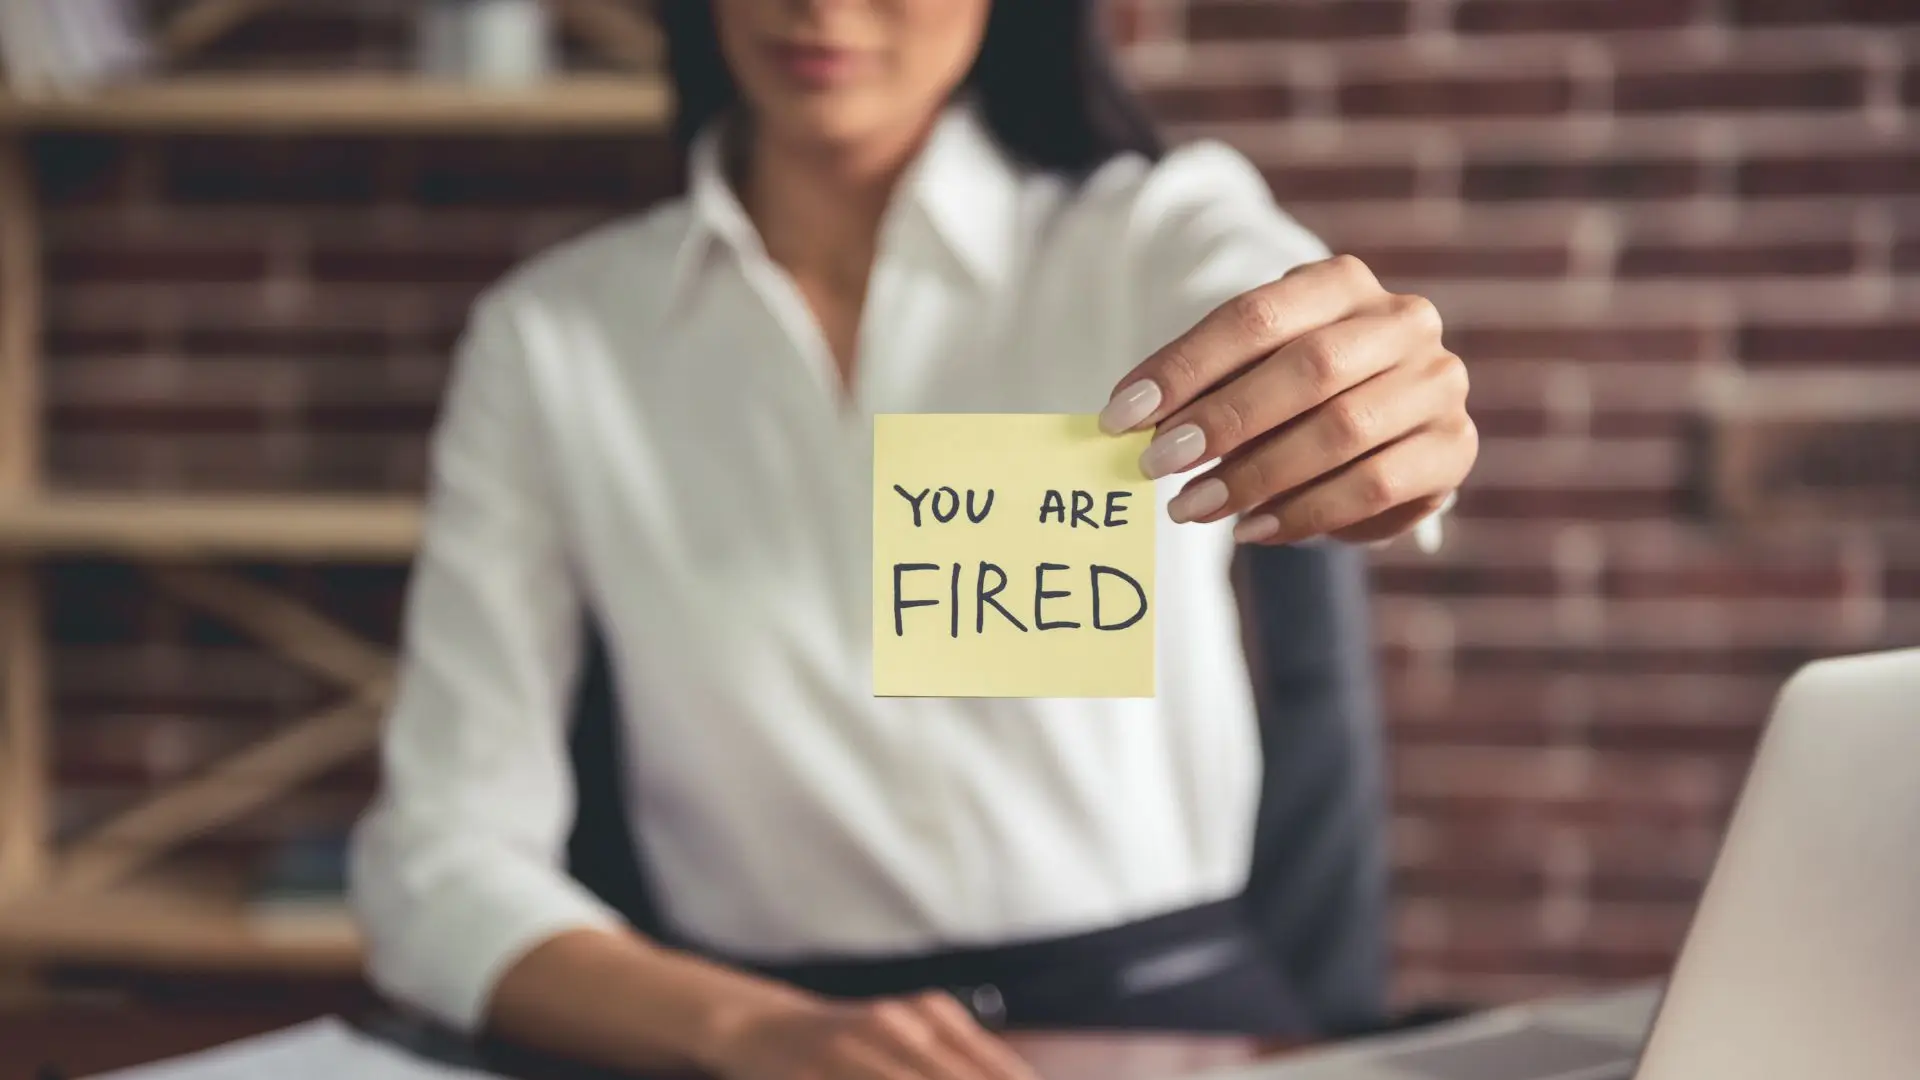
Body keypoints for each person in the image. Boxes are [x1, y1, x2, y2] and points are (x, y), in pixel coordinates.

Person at [349, 2, 1477, 1078]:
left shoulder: (1146, 234)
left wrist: (1376, 413)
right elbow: (437, 860)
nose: (821, 6)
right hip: (764, 1040)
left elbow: (1272, 300)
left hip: (1157, 1023)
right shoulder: (556, 336)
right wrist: (749, 1031)